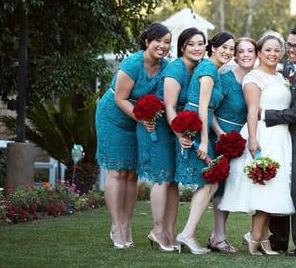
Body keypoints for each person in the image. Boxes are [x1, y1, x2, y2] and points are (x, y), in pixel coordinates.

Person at [96, 23, 171, 249]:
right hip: (114, 117)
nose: (163, 46)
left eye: (167, 42)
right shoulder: (132, 63)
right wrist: (142, 118)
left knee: (132, 174)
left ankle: (127, 225)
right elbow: (120, 98)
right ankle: (116, 226)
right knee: (117, 170)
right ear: (147, 42)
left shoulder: (165, 67)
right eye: (158, 40)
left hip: (139, 119)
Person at [222, 33, 295, 255]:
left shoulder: (281, 77)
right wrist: (253, 140)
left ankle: (263, 238)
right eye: (268, 50)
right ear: (260, 53)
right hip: (263, 135)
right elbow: (252, 110)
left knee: (275, 185)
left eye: (276, 50)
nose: (272, 54)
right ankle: (254, 237)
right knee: (264, 184)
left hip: (282, 136)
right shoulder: (254, 78)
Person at [137, 27, 204, 251]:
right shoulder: (176, 69)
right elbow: (170, 106)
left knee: (173, 181)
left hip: (175, 129)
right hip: (161, 128)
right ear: (183, 47)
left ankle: (170, 232)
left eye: (201, 43)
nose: (197, 48)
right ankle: (157, 230)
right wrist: (179, 133)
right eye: (191, 44)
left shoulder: (196, 69)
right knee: (162, 179)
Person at [175, 31, 235, 254]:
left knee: (211, 181)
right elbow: (202, 106)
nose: (228, 52)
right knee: (209, 181)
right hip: (197, 128)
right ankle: (187, 234)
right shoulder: (209, 69)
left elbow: (210, 110)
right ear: (214, 46)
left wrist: (219, 133)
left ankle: (187, 233)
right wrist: (202, 140)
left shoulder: (213, 69)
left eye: (232, 49)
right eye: (224, 47)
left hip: (205, 126)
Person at [263, 27, 296, 257]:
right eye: (289, 44)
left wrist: (265, 115)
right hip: (281, 138)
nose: (291, 49)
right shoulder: (284, 69)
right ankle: (279, 240)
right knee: (280, 184)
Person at [209, 37, 257, 252]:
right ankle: (218, 237)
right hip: (221, 138)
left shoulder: (257, 80)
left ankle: (216, 235)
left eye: (250, 51)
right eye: (241, 51)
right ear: (236, 56)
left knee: (231, 187)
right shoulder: (224, 78)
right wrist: (221, 135)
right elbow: (210, 110)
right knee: (219, 187)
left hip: (244, 139)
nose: (246, 55)